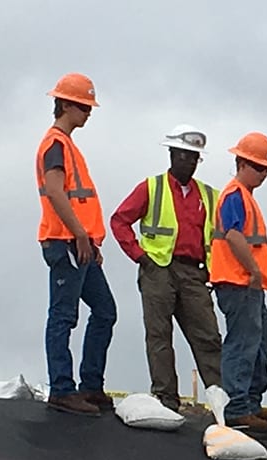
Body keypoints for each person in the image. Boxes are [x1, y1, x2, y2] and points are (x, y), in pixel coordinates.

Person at [109, 124, 221, 412]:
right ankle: (166, 398)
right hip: (158, 269)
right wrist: (139, 256)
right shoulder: (152, 187)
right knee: (159, 335)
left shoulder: (210, 195)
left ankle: (223, 399)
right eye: (184, 155)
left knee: (207, 335)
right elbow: (119, 220)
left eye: (194, 157)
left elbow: (221, 236)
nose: (190, 162)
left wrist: (215, 271)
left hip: (194, 272)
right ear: (171, 154)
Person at [35, 72, 118, 416]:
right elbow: (56, 192)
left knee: (105, 311)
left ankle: (90, 386)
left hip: (79, 244)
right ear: (66, 105)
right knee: (63, 315)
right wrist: (80, 234)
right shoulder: (55, 144)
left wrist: (89, 241)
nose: (88, 113)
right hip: (66, 242)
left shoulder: (66, 146)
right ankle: (62, 389)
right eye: (84, 107)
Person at [209, 132, 267, 432]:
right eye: (258, 167)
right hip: (238, 282)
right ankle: (237, 407)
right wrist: (253, 270)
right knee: (243, 342)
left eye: (266, 169)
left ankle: (248, 401)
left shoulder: (244, 196)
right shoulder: (234, 195)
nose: (263, 174)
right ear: (241, 163)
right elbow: (233, 235)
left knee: (258, 338)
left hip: (246, 283)